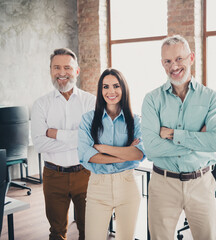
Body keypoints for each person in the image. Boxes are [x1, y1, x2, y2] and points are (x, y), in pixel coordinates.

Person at [141, 35, 216, 240]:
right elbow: (151, 149)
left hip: (201, 182)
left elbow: (215, 142)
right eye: (168, 61)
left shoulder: (211, 98)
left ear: (191, 58)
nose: (174, 66)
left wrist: (172, 135)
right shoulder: (151, 100)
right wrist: (197, 141)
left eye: (179, 59)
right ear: (162, 63)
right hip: (163, 183)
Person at [31, 48, 96, 240]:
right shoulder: (41, 104)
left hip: (85, 173)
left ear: (76, 71)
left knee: (89, 230)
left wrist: (55, 133)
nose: (61, 72)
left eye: (67, 67)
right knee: (56, 232)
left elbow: (92, 139)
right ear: (50, 70)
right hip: (53, 176)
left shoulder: (90, 101)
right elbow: (40, 145)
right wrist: (78, 140)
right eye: (56, 67)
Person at [78, 68, 145, 240]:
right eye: (105, 87)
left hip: (128, 185)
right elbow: (88, 155)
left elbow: (139, 154)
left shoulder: (135, 120)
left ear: (123, 88)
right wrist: (126, 152)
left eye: (116, 86)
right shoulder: (88, 120)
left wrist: (103, 148)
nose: (111, 91)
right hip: (98, 187)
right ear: (100, 91)